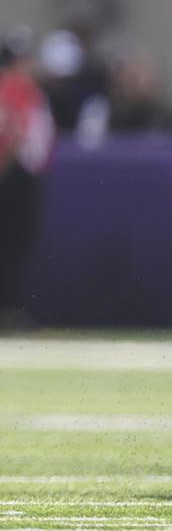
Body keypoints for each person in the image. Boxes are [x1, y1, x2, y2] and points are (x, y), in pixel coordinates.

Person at [0, 26, 55, 328]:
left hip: (19, 174)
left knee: (13, 245)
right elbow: (16, 134)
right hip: (15, 176)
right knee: (12, 244)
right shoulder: (16, 87)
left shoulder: (18, 86)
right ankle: (8, 310)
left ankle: (9, 308)